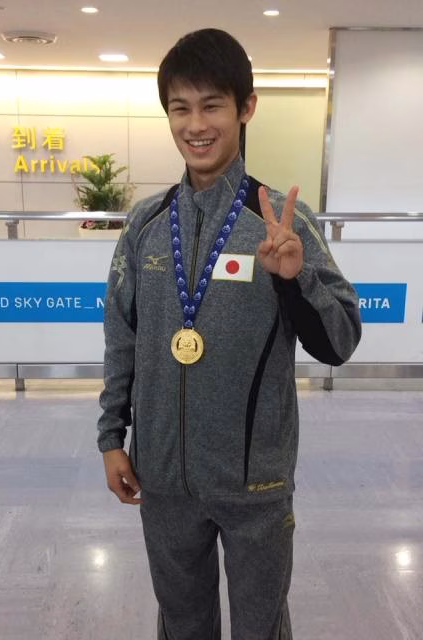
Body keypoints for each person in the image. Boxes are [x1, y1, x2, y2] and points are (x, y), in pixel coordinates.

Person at [97, 28, 361, 640]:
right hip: (164, 478)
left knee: (260, 628)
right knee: (182, 624)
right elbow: (121, 337)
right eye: (180, 109)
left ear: (246, 108)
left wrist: (296, 280)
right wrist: (112, 437)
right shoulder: (144, 225)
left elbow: (340, 340)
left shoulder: (281, 222)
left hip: (255, 483)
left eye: (212, 105)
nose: (196, 125)